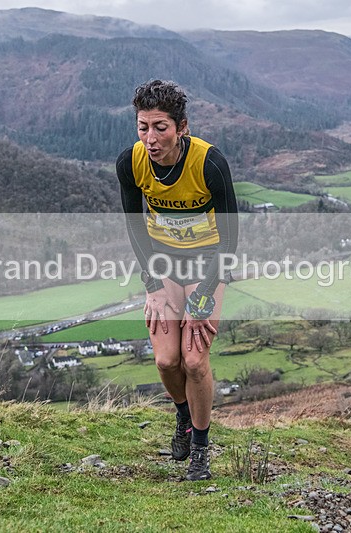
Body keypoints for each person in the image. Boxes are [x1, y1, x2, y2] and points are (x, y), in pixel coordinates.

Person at [116, 80, 238, 481]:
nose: (150, 138)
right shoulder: (129, 163)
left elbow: (231, 239)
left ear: (181, 127)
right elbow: (135, 230)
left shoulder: (210, 164)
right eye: (142, 127)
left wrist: (203, 298)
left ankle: (201, 449)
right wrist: (151, 287)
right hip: (164, 264)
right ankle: (184, 417)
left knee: (195, 360)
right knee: (167, 360)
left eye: (160, 127)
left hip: (208, 263)